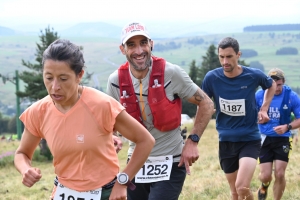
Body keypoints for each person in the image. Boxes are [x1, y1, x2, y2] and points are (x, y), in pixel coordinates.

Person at [14, 39, 155, 200]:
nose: (55, 87)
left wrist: (123, 182)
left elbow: (146, 141)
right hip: (63, 193)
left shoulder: (102, 105)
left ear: (79, 75)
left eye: (63, 78)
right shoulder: (38, 111)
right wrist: (25, 169)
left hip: (107, 194)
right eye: (49, 78)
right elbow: (22, 153)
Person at [106, 22, 214, 200]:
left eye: (143, 43)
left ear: (151, 44)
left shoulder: (170, 73)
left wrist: (193, 141)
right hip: (136, 164)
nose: (139, 50)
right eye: (131, 45)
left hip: (171, 161)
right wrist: (113, 136)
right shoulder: (115, 81)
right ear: (122, 49)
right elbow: (110, 120)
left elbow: (207, 104)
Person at [201, 37, 276, 200]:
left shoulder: (252, 75)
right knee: (235, 192)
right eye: (221, 57)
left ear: (238, 55)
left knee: (242, 187)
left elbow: (271, 85)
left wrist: (264, 108)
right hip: (226, 141)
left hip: (249, 139)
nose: (224, 61)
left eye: (229, 56)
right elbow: (203, 102)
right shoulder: (212, 78)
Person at [255, 68, 300, 200]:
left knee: (280, 174)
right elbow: (250, 114)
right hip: (264, 138)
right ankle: (264, 184)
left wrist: (288, 127)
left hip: (283, 139)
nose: (277, 88)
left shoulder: (291, 96)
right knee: (265, 175)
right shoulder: (259, 95)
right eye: (274, 85)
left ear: (284, 82)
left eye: (279, 84)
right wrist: (258, 117)